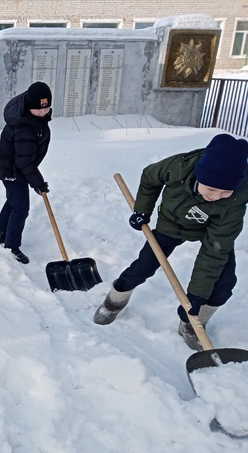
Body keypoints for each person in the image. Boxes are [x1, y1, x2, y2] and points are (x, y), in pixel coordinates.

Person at [93, 134, 248, 351]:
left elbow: (215, 252)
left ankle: (194, 324)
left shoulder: (234, 203)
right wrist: (142, 210)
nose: (218, 196)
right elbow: (149, 177)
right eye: (212, 189)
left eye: (226, 191)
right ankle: (114, 301)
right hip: (171, 224)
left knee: (223, 281)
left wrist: (196, 296)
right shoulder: (179, 167)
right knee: (143, 267)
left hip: (210, 231)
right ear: (198, 174)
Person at [0, 82, 52, 264]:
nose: (43, 112)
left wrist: (34, 178)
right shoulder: (22, 126)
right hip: (11, 169)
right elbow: (23, 160)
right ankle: (12, 246)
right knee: (21, 207)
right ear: (28, 106)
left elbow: (28, 158)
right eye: (38, 109)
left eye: (46, 108)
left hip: (21, 169)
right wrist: (38, 183)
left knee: (13, 202)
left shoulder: (36, 120)